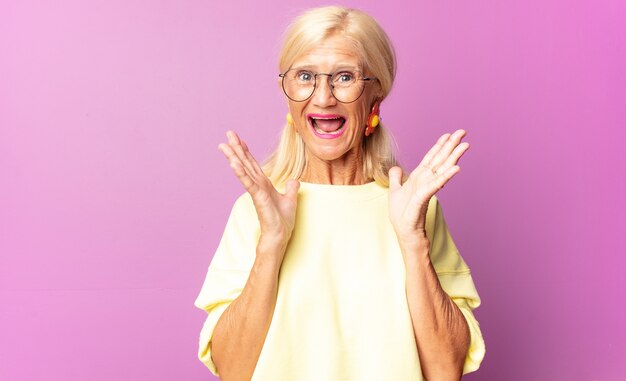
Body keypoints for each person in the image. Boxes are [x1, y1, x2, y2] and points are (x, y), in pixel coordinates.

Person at [194, 6, 485, 381]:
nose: (323, 98)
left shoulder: (414, 208)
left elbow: (445, 371)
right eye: (305, 76)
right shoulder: (256, 211)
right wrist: (272, 242)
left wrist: (413, 241)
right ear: (288, 96)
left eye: (344, 77)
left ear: (374, 95)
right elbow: (233, 371)